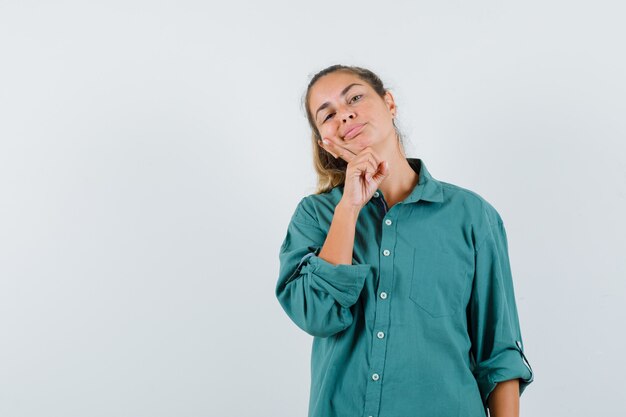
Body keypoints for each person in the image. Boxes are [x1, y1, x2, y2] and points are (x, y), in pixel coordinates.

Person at [275, 64, 534, 417]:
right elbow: (318, 316)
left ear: (389, 103)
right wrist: (349, 207)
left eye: (355, 97)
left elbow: (499, 353)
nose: (345, 113)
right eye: (328, 114)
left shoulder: (473, 216)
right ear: (326, 142)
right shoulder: (315, 216)